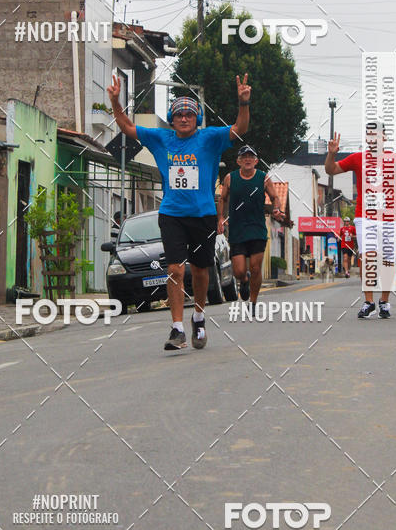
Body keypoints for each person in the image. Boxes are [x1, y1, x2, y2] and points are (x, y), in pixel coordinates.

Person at [107, 73, 251, 351]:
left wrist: (244, 102)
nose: (184, 118)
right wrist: (115, 101)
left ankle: (198, 316)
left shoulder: (210, 138)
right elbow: (126, 126)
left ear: (196, 119)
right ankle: (177, 328)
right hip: (172, 214)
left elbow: (240, 128)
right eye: (178, 114)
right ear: (172, 119)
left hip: (204, 215)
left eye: (189, 114)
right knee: (174, 269)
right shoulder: (160, 138)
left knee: (199, 270)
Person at [324, 131, 396, 319]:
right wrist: (331, 154)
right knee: (367, 257)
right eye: (371, 135)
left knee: (387, 260)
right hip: (365, 217)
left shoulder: (394, 159)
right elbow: (331, 170)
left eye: (379, 136)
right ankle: (369, 301)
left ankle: (384, 302)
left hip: (389, 218)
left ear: (384, 139)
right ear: (367, 139)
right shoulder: (357, 158)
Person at [218, 145, 285, 306]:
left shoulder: (263, 178)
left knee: (256, 268)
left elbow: (275, 197)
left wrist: (276, 209)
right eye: (244, 157)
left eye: (251, 157)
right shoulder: (230, 178)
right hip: (237, 230)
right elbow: (222, 199)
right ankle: (244, 280)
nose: (247, 159)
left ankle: (253, 302)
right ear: (239, 161)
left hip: (257, 229)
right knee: (239, 271)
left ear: (256, 161)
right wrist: (220, 218)